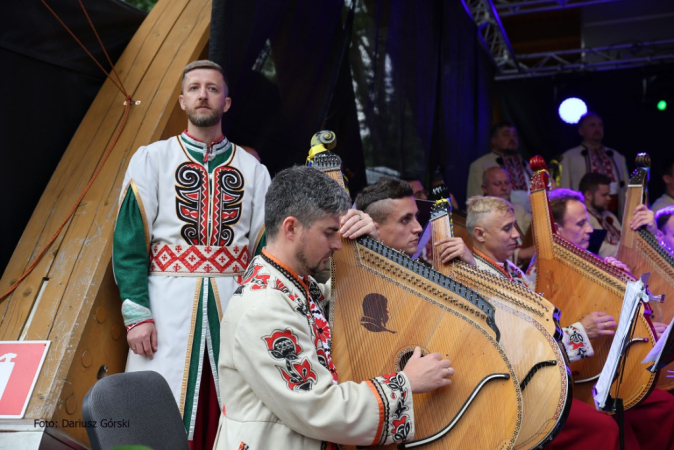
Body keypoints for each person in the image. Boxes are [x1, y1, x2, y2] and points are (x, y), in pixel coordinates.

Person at [213, 166, 454, 449]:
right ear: (291, 228)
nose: (338, 244)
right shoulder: (264, 306)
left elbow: (349, 299)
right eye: (329, 232)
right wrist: (406, 383)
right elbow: (319, 408)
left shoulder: (290, 284)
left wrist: (369, 246)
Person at [112, 60, 271, 448]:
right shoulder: (151, 159)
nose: (203, 94)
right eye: (195, 88)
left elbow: (267, 254)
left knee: (234, 411)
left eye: (213, 88)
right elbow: (130, 243)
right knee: (159, 404)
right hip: (164, 307)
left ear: (227, 102)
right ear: (182, 101)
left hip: (234, 307)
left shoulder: (254, 171)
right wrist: (137, 315)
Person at [530, 189, 674, 449]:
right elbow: (540, 344)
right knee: (617, 426)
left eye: (588, 221)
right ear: (557, 231)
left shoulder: (589, 261)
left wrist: (625, 285)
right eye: (580, 223)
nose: (589, 230)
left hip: (604, 370)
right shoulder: (538, 275)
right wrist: (582, 333)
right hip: (574, 380)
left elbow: (614, 320)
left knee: (665, 407)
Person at [355, 177, 474, 264]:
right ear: (375, 228)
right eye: (405, 219)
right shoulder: (357, 276)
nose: (419, 228)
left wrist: (471, 265)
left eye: (416, 216)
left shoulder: (427, 268)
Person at [559, 112, 629, 215]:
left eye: (600, 125)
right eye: (592, 125)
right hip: (584, 211)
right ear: (581, 131)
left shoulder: (617, 156)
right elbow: (565, 189)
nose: (597, 128)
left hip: (616, 209)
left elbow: (627, 187)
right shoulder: (569, 157)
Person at [466, 122, 533, 213]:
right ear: (494, 140)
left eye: (514, 135)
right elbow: (475, 201)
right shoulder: (480, 164)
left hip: (528, 217)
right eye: (506, 135)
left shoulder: (526, 164)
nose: (512, 138)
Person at [481, 167, 534, 265]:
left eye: (507, 183)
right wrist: (525, 253)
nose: (504, 188)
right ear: (484, 188)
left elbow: (535, 230)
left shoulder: (518, 208)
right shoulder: (480, 216)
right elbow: (488, 251)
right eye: (497, 184)